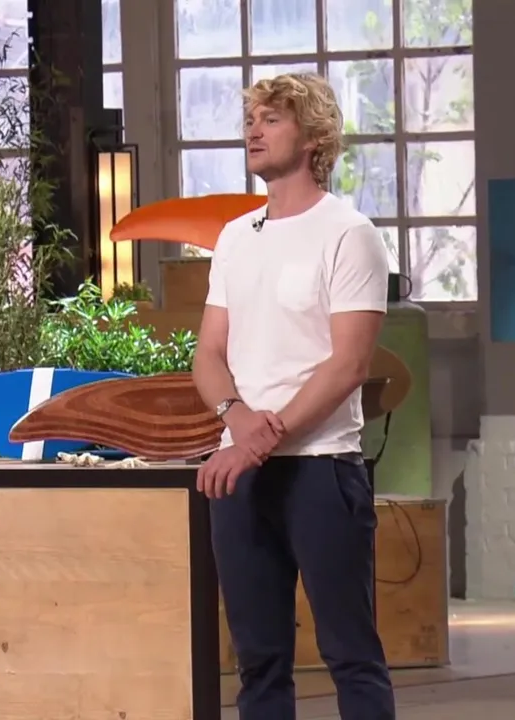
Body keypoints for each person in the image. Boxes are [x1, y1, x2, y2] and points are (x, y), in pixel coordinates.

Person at [192, 73, 395, 720]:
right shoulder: (235, 237)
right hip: (240, 475)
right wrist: (236, 420)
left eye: (271, 119)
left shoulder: (349, 233)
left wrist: (257, 440)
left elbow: (348, 365)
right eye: (250, 119)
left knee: (350, 654)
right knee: (258, 661)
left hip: (320, 471)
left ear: (313, 137)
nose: (253, 130)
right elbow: (208, 353)